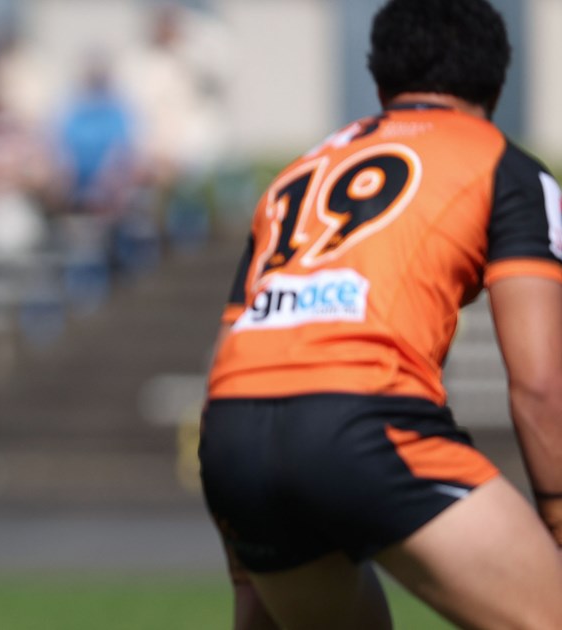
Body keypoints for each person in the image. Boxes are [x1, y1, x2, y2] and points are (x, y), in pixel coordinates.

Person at [200, 1, 562, 627]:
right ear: (496, 82)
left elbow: (234, 346)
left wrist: (246, 564)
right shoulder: (503, 165)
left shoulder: (296, 176)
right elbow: (540, 385)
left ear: (380, 82)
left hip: (234, 438)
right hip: (365, 418)